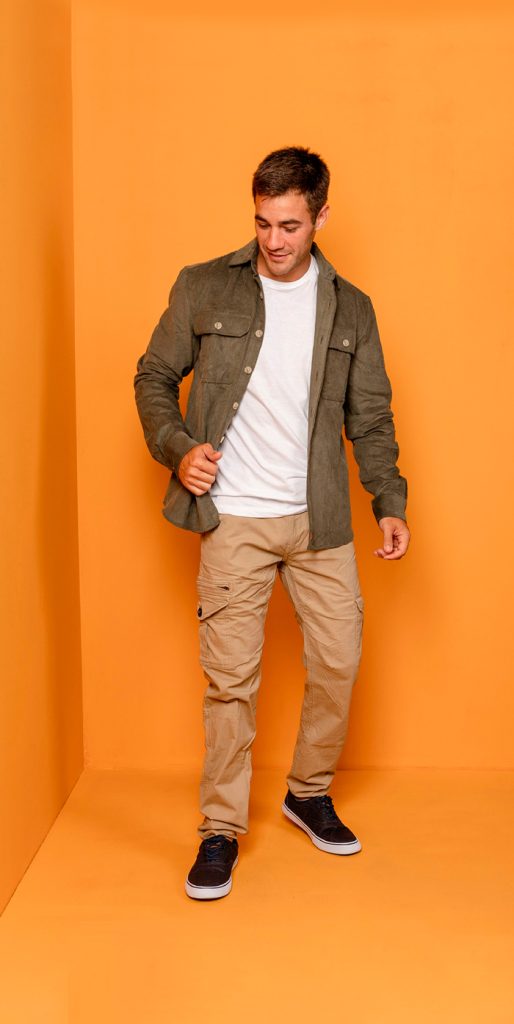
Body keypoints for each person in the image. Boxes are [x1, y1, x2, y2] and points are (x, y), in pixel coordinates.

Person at [133, 145, 410, 901]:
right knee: (231, 684)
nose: (274, 240)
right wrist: (178, 447)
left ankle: (307, 792)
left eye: (290, 225)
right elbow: (153, 375)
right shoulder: (203, 285)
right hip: (235, 519)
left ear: (321, 217)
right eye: (263, 223)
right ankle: (220, 830)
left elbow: (371, 417)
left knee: (340, 661)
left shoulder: (352, 308)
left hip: (320, 519)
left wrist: (388, 501)